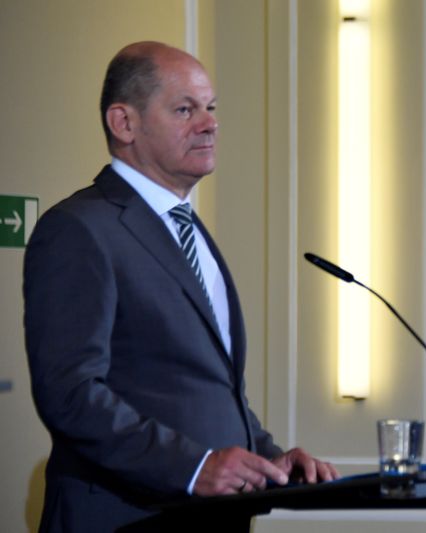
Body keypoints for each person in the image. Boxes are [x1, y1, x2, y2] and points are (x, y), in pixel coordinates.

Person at [23, 41, 338, 533]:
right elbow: (71, 392)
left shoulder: (187, 228)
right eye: (185, 109)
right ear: (123, 123)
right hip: (124, 516)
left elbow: (206, 388)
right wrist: (192, 467)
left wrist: (271, 459)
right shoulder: (79, 229)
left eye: (210, 108)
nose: (210, 123)